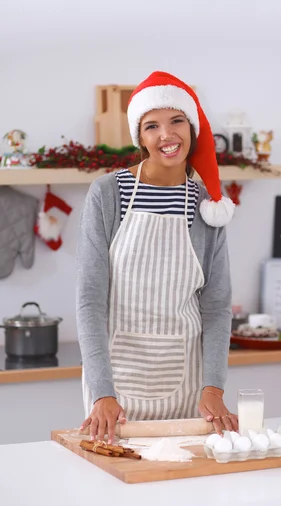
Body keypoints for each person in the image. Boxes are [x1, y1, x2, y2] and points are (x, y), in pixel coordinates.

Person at [76, 71, 237, 443]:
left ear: (192, 128)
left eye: (177, 120)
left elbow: (216, 306)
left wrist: (214, 387)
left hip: (189, 385)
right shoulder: (108, 194)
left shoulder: (206, 205)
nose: (167, 134)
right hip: (115, 388)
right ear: (140, 137)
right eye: (153, 126)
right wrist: (102, 391)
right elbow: (89, 301)